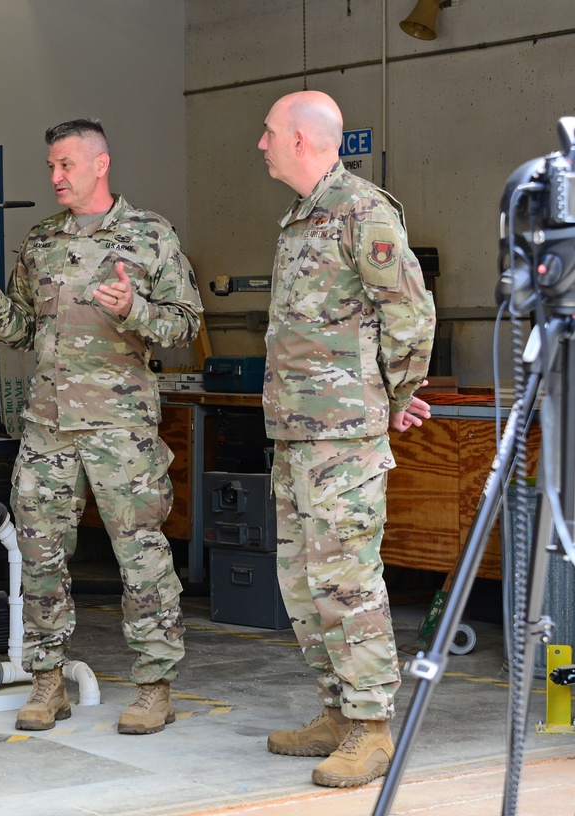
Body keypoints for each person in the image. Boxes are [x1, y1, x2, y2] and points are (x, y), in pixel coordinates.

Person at [0, 118, 203, 735]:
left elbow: (187, 327)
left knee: (139, 555)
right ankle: (46, 681)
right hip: (49, 426)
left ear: (100, 164)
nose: (55, 177)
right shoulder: (39, 244)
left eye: (65, 165)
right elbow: (21, 333)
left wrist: (135, 310)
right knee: (38, 555)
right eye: (51, 167)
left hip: (121, 430)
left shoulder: (150, 235)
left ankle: (153, 685)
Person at [256, 91, 436, 788]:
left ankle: (371, 729)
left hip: (342, 438)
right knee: (302, 581)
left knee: (347, 581)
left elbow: (411, 317)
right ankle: (335, 712)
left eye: (269, 133)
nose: (261, 143)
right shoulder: (302, 218)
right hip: (297, 432)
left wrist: (387, 400)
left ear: (301, 140)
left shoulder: (364, 212)